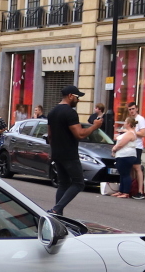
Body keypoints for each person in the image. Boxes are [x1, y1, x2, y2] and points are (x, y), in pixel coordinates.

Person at [47, 86, 105, 216]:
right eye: (77, 97)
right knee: (79, 183)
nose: (78, 100)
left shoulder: (52, 112)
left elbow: (50, 135)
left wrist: (55, 148)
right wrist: (95, 126)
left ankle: (58, 214)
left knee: (63, 183)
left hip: (57, 153)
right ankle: (56, 209)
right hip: (69, 154)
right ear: (70, 96)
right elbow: (80, 134)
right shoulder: (70, 112)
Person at [111, 117, 139, 199]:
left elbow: (121, 144)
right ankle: (121, 190)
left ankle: (126, 192)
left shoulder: (130, 133)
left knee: (126, 174)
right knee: (122, 173)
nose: (124, 123)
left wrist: (114, 149)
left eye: (125, 121)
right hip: (122, 155)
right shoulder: (129, 132)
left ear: (129, 124)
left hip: (126, 155)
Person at [126, 103, 145, 199]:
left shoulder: (140, 119)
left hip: (137, 146)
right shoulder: (129, 119)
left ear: (137, 109)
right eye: (130, 109)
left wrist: (131, 132)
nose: (131, 111)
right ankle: (132, 188)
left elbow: (143, 133)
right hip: (130, 146)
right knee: (130, 168)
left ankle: (140, 191)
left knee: (137, 168)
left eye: (133, 109)